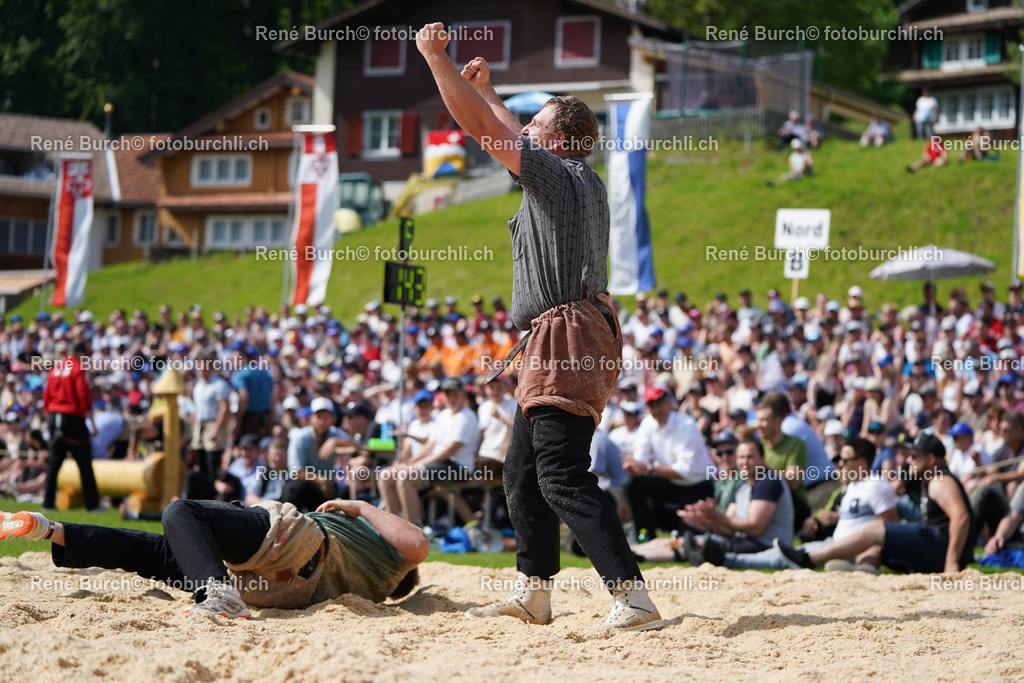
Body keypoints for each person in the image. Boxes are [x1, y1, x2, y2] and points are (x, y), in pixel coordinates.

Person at [416, 25, 662, 630]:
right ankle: (535, 592)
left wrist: (435, 58)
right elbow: (504, 127)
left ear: (560, 140)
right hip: (562, 333)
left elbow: (485, 132)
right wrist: (493, 91)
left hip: (568, 336)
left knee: (559, 474)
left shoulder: (558, 175)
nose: (524, 127)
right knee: (523, 474)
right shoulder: (574, 176)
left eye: (537, 122)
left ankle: (632, 597)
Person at [0, 497, 428, 618]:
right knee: (159, 552)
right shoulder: (369, 580)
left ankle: (216, 590)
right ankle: (49, 529)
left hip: (296, 542)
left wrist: (360, 506)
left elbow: (418, 544)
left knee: (180, 511)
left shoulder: (389, 558)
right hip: (275, 590)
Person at [775, 433, 975, 574]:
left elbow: (961, 517)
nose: (908, 460)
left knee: (876, 529)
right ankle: (864, 569)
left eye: (914, 456)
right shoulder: (930, 479)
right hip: (936, 544)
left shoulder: (940, 480)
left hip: (939, 547)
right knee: (883, 536)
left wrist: (952, 562)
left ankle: (809, 558)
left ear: (931, 459)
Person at [728, 437, 897, 571]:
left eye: (845, 460)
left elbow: (888, 528)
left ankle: (732, 561)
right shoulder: (852, 486)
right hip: (836, 543)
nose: (840, 464)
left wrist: (869, 554)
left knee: (792, 556)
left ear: (861, 462)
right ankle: (732, 559)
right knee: (788, 553)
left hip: (853, 548)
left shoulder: (877, 486)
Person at [377, 378, 479, 527]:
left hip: (459, 468)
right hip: (442, 464)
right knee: (385, 475)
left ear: (464, 396)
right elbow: (432, 444)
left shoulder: (467, 416)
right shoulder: (443, 415)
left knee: (405, 476)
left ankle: (411, 531)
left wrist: (417, 463)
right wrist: (412, 461)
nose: (451, 399)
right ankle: (394, 529)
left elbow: (450, 450)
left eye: (455, 395)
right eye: (448, 395)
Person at [624, 385, 715, 538]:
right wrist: (632, 466)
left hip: (698, 486)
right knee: (633, 484)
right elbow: (640, 460)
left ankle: (660, 534)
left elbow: (684, 471)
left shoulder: (686, 424)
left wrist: (647, 468)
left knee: (688, 540)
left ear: (669, 403)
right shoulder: (648, 423)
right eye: (652, 406)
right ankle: (645, 536)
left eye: (659, 404)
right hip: (674, 483)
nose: (656, 410)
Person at [42, 342, 100, 512]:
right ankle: (93, 504)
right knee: (84, 463)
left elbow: (46, 398)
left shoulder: (55, 369)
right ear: (80, 353)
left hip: (54, 417)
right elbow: (83, 395)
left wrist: (50, 420)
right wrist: (92, 423)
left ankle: (47, 502)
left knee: (54, 462)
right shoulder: (79, 368)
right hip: (72, 418)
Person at [283, 397, 353, 512]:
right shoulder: (300, 437)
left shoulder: (334, 434)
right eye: (319, 417)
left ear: (332, 419)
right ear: (311, 418)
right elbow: (295, 472)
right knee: (296, 487)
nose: (322, 422)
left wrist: (335, 441)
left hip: (323, 490)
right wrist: (322, 480)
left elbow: (358, 446)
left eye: (326, 417)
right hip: (309, 488)